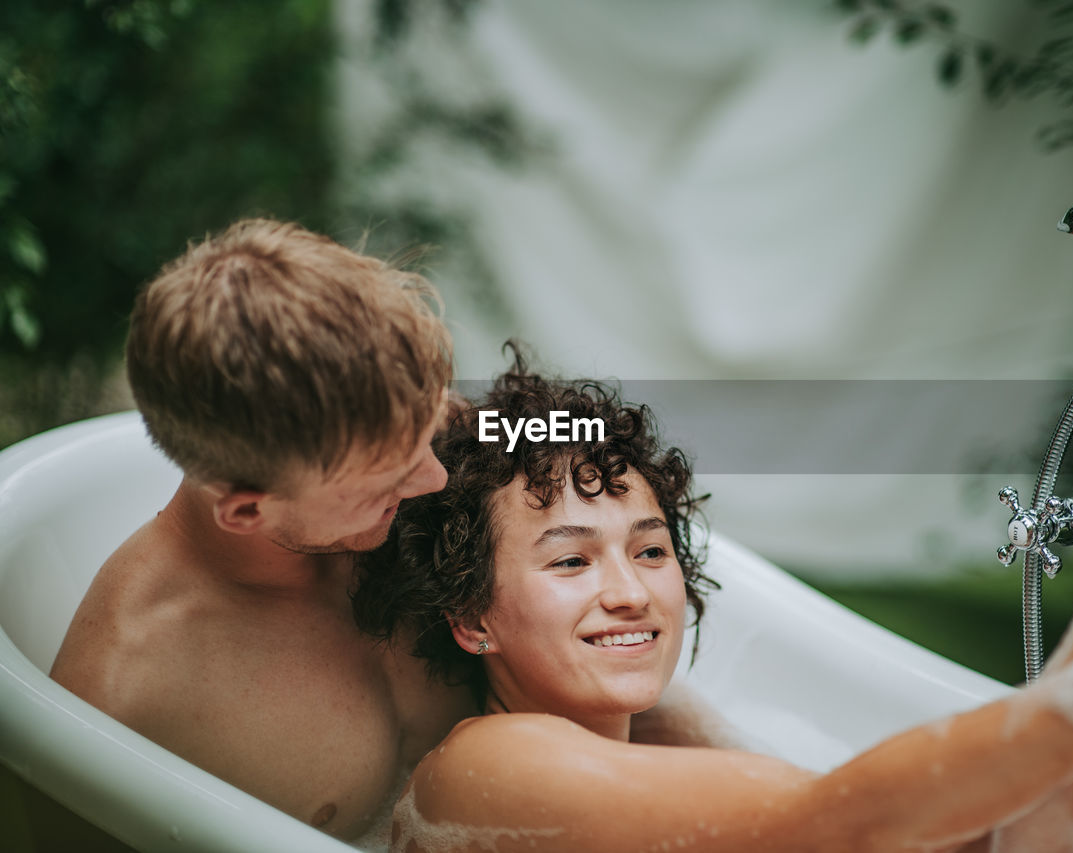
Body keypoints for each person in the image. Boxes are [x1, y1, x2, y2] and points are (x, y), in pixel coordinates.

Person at [358, 359, 1073, 852]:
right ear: (471, 618)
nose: (631, 590)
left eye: (649, 548)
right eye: (570, 563)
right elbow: (840, 822)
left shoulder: (654, 733)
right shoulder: (484, 769)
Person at [49, 220, 731, 843]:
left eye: (427, 433)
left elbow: (574, 434)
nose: (435, 477)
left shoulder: (402, 425)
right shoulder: (121, 695)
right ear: (248, 510)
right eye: (386, 482)